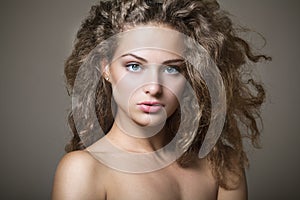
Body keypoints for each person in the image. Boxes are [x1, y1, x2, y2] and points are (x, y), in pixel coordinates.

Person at [52, 0, 271, 199]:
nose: (154, 87)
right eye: (134, 66)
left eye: (172, 69)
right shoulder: (84, 170)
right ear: (106, 69)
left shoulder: (222, 166)